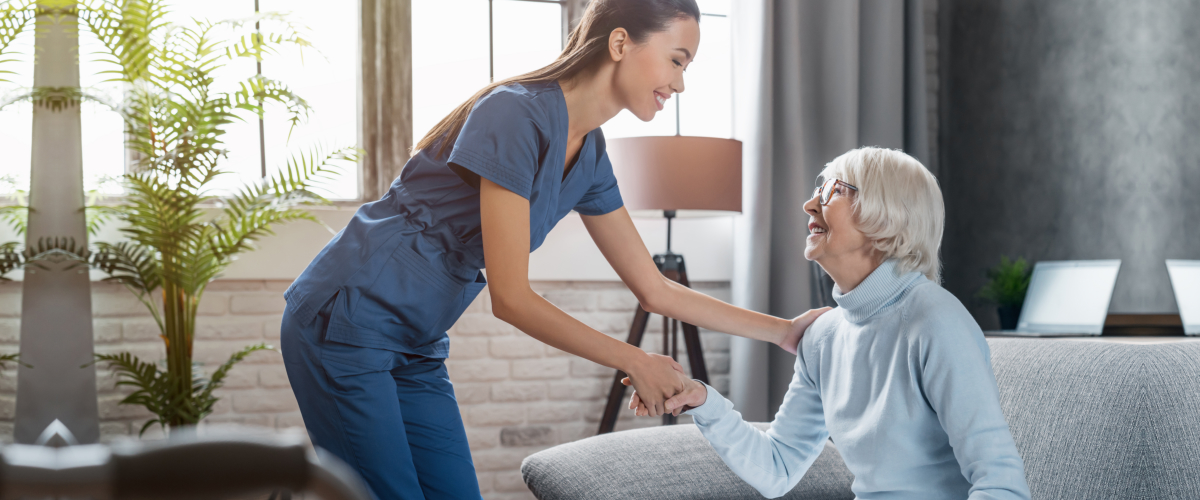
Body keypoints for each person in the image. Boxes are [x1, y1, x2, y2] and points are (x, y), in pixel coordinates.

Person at [279, 1, 829, 499]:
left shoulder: (590, 154)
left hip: (417, 341)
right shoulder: (514, 113)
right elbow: (511, 298)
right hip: (345, 319)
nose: (680, 83)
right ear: (620, 43)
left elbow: (655, 289)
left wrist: (784, 332)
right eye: (676, 61)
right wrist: (634, 359)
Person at [628, 147, 1032, 499]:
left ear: (888, 215)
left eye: (834, 190)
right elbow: (778, 467)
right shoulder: (822, 338)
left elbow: (1001, 482)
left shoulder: (936, 321)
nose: (810, 204)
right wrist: (704, 401)